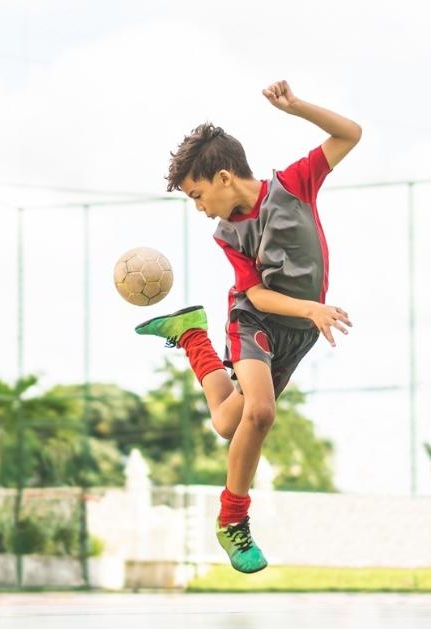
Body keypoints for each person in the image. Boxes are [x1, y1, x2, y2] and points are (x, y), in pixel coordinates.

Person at [135, 80, 361, 573]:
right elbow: (255, 293)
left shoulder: (294, 185)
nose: (199, 208)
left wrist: (297, 106)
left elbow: (350, 134)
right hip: (254, 317)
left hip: (295, 332)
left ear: (221, 177)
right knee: (259, 413)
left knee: (226, 422)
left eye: (197, 196)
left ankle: (191, 334)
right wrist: (312, 309)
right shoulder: (227, 233)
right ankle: (233, 520)